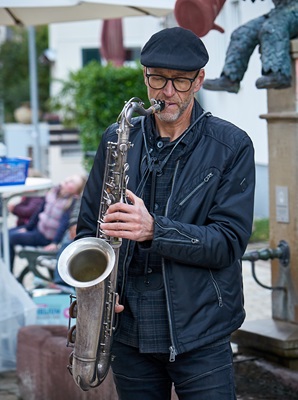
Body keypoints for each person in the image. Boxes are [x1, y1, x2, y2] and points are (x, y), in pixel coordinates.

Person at [75, 27, 255, 400]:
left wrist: (155, 230)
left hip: (200, 331)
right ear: (145, 76)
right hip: (126, 329)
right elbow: (87, 233)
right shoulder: (116, 138)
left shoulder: (232, 146)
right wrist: (93, 293)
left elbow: (227, 243)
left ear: (199, 80)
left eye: (180, 81)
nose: (167, 92)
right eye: (157, 78)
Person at [203, 0, 298, 93]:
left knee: (272, 28)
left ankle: (279, 73)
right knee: (243, 33)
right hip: (281, 11)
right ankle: (231, 78)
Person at [9, 174, 85, 274]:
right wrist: (27, 228)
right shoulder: (53, 192)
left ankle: (8, 273)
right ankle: (6, 271)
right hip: (37, 229)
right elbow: (38, 212)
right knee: (4, 234)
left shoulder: (70, 202)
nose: (68, 181)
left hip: (44, 237)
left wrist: (54, 242)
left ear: (76, 191)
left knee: (9, 238)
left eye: (73, 182)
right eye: (69, 178)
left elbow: (63, 224)